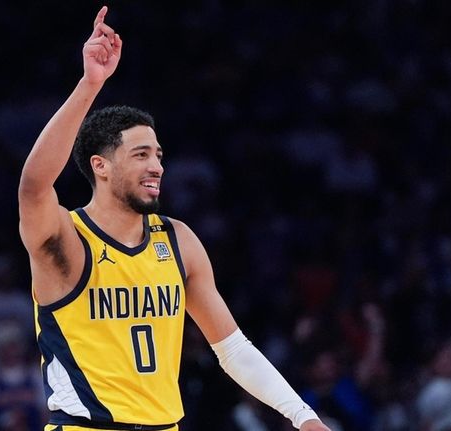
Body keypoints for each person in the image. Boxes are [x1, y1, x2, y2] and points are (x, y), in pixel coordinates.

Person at [17, 6, 331, 431]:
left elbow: (233, 349)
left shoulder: (178, 240)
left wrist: (302, 417)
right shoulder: (67, 239)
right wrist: (90, 85)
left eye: (159, 155)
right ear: (101, 166)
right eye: (141, 155)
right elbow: (34, 186)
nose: (157, 166)